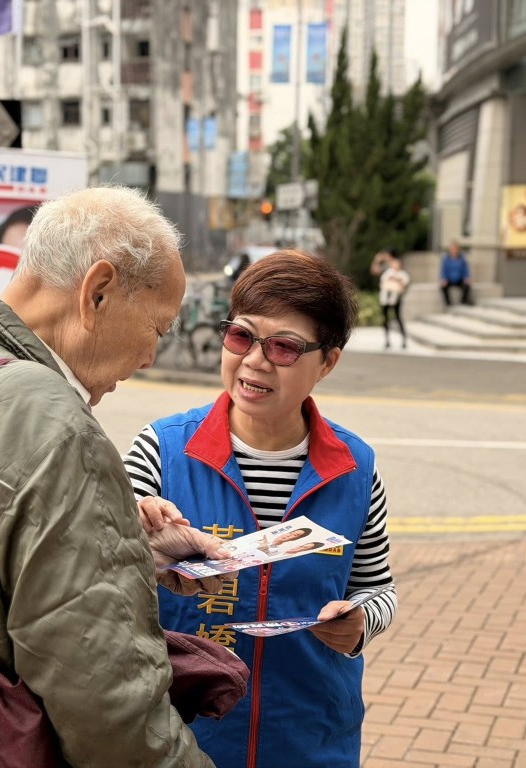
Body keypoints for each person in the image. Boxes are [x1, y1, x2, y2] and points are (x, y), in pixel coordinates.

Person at [0, 186, 233, 767]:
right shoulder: (51, 420)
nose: (150, 359)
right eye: (158, 329)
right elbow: (111, 711)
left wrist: (119, 548)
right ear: (97, 292)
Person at [124, 250, 398, 768]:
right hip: (181, 739)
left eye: (284, 347)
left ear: (328, 362)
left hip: (310, 737)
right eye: (241, 336)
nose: (254, 360)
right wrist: (137, 527)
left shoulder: (355, 469)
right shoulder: (160, 450)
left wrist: (360, 622)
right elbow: (99, 567)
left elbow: (377, 587)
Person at [379, 255, 410, 349]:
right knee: (385, 319)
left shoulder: (403, 274)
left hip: (396, 299)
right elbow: (383, 284)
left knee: (398, 318)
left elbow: (404, 285)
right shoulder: (387, 273)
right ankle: (387, 340)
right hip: (385, 299)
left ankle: (404, 340)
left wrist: (396, 280)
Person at [439, 239, 472, 307]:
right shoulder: (446, 259)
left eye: (455, 249)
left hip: (459, 279)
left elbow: (465, 270)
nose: (454, 250)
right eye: (452, 249)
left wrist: (467, 277)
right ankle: (448, 304)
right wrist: (443, 278)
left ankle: (463, 302)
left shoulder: (462, 259)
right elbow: (443, 271)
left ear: (458, 249)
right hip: (449, 280)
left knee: (467, 286)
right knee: (443, 287)